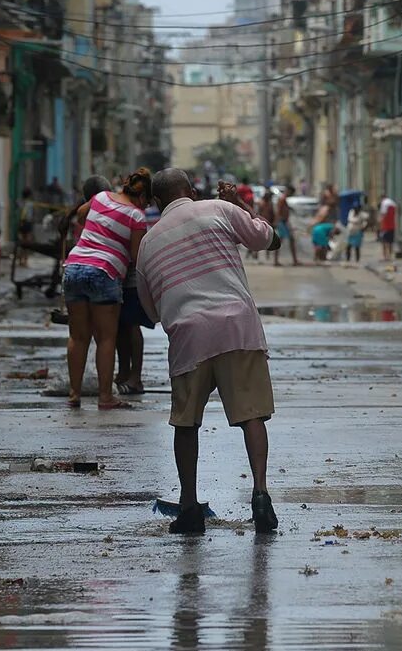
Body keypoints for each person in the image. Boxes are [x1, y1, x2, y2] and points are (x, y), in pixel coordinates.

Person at [135, 169, 283, 535]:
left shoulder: (148, 244)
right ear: (192, 191)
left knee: (186, 423)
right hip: (237, 327)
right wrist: (241, 204)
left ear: (157, 202)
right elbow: (269, 239)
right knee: (252, 415)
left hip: (188, 338)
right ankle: (261, 495)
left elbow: (151, 311)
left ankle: (189, 507)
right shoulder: (219, 209)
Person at [61, 175, 144, 410]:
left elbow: (80, 215)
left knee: (77, 337)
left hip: (74, 266)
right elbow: (137, 257)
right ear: (143, 196)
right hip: (104, 271)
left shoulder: (100, 197)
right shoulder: (136, 215)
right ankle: (105, 396)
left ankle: (74, 393)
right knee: (105, 338)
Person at [115, 170, 155, 396]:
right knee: (124, 326)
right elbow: (136, 253)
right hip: (123, 275)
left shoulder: (131, 211)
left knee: (130, 327)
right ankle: (125, 373)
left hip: (127, 276)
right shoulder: (135, 213)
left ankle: (134, 376)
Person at [273, 185, 299, 267]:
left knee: (290, 240)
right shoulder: (282, 199)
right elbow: (279, 211)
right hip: (282, 222)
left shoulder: (283, 199)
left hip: (284, 222)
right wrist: (277, 222)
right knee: (282, 241)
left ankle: (294, 260)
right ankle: (277, 261)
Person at [16, 187, 36, 267]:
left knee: (21, 241)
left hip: (21, 223)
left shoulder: (19, 202)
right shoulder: (31, 203)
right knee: (27, 243)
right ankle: (25, 260)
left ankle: (20, 260)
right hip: (28, 223)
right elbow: (33, 214)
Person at [377, 195, 398, 260]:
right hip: (392, 226)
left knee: (384, 242)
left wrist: (379, 224)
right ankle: (390, 256)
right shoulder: (393, 204)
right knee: (390, 242)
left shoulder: (384, 203)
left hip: (386, 226)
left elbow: (383, 214)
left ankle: (386, 256)